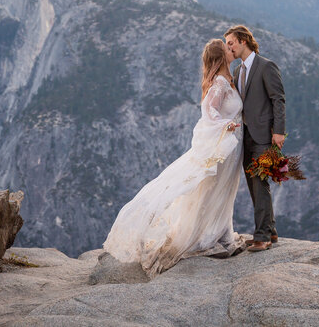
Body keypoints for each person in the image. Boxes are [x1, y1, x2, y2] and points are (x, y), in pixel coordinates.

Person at [103, 39, 246, 276]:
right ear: (221, 57)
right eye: (227, 49)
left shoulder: (228, 79)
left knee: (226, 188)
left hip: (233, 145)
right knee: (215, 188)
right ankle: (210, 236)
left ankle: (223, 232)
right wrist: (226, 124)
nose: (232, 51)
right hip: (225, 143)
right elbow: (208, 111)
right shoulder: (220, 83)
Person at [224, 25, 285, 252]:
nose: (228, 47)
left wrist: (279, 131)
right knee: (253, 183)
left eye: (230, 42)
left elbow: (278, 99)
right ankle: (271, 230)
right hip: (245, 136)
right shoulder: (239, 72)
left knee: (260, 182)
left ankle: (262, 237)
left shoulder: (266, 66)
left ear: (243, 41)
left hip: (263, 135)